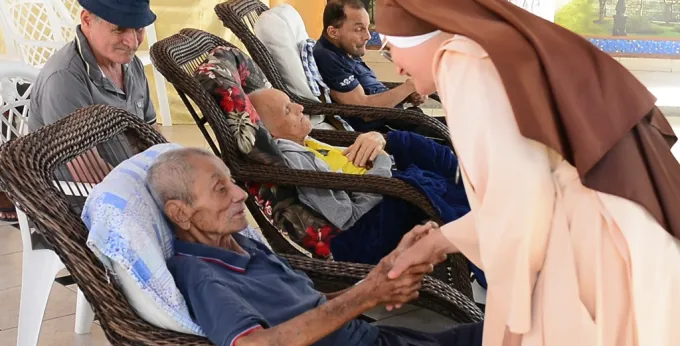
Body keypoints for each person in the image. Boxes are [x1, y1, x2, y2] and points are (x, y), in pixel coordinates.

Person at [374, 0, 680, 345]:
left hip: (587, 247)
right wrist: (440, 241)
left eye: (391, 46)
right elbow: (527, 186)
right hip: (619, 222)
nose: (396, 64)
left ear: (424, 33)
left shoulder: (460, 61)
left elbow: (521, 204)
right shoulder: (493, 49)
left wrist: (513, 322)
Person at [147, 147, 483, 346]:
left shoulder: (241, 245)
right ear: (180, 212)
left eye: (233, 182)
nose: (241, 194)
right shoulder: (203, 275)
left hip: (380, 338)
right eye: (221, 188)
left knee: (506, 330)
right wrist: (367, 296)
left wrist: (381, 277)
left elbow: (309, 307)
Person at [248, 88, 476, 270]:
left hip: (377, 185)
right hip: (372, 217)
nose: (300, 106)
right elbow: (348, 216)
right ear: (272, 134)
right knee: (439, 181)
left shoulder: (307, 142)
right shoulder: (295, 160)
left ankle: (481, 199)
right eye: (288, 110)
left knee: (431, 155)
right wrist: (382, 165)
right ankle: (479, 221)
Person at [27, 0, 159, 182]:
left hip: (127, 181)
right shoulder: (65, 78)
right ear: (87, 20)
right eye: (120, 29)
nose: (133, 42)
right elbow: (87, 173)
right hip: (78, 200)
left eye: (139, 29)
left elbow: (151, 135)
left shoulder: (130, 64)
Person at [313, 0, 435, 133]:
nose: (368, 36)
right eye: (359, 29)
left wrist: (407, 94)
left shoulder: (346, 50)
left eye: (367, 28)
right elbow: (364, 111)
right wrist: (410, 86)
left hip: (401, 119)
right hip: (388, 130)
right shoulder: (328, 58)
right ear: (333, 32)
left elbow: (371, 91)